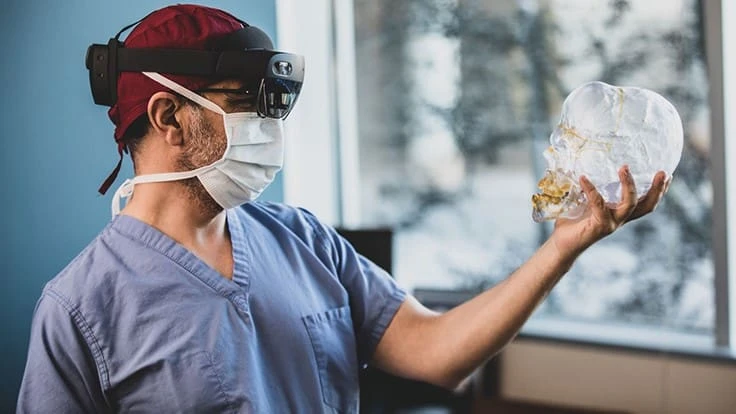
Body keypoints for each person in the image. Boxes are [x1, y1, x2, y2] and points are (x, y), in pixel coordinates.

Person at [17, 4, 670, 413]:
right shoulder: (80, 313)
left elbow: (439, 354)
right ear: (170, 117)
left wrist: (562, 248)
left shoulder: (300, 239)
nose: (272, 129)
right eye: (250, 105)